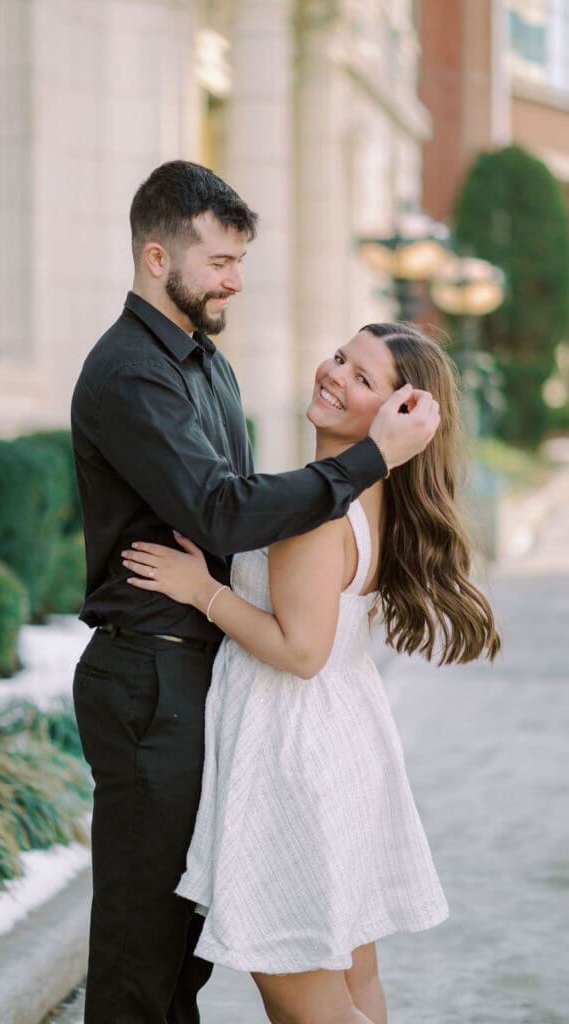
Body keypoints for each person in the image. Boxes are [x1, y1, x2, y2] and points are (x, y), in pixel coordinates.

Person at [70, 161, 440, 1024]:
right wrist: (364, 461)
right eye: (220, 261)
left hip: (209, 685)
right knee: (141, 955)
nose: (236, 278)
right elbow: (222, 510)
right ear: (157, 257)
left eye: (242, 259)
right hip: (147, 684)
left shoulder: (208, 365)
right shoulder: (131, 374)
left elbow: (238, 518)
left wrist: (216, 584)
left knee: (181, 966)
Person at [121, 321, 501, 1024]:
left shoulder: (317, 508)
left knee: (309, 1006)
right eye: (339, 358)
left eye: (363, 380)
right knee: (355, 985)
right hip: (341, 739)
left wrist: (199, 590)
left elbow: (300, 651)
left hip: (289, 756)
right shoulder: (371, 495)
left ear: (397, 416)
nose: (334, 375)